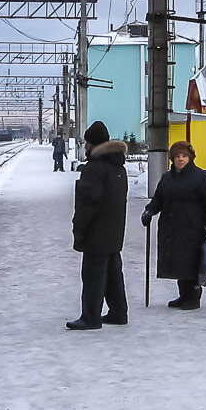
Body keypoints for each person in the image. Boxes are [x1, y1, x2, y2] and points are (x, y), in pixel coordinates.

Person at [140, 140, 206, 310]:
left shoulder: (201, 178)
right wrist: (149, 211)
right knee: (178, 262)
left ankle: (193, 298)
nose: (180, 159)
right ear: (172, 159)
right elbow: (158, 199)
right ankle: (183, 295)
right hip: (171, 227)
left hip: (192, 228)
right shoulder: (167, 178)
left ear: (190, 158)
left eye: (184, 156)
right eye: (177, 156)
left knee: (191, 262)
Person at [68, 121, 129, 330]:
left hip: (96, 232)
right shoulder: (119, 167)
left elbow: (87, 204)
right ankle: (118, 312)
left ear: (91, 143)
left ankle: (90, 317)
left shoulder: (93, 168)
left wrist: (79, 229)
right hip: (114, 231)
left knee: (93, 275)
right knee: (113, 274)